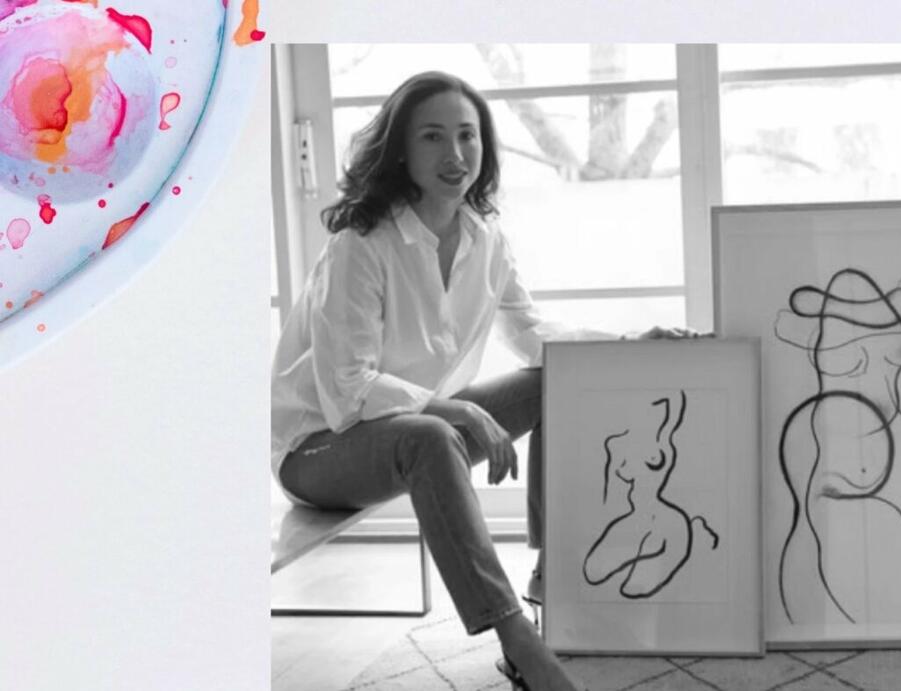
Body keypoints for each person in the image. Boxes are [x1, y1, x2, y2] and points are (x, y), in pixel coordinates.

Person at [271, 71, 696, 691]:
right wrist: (462, 411)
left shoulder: (484, 237)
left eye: (467, 136)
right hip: (317, 452)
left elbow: (532, 333)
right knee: (431, 435)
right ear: (401, 149)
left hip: (418, 432)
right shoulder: (360, 244)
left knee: (552, 380)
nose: (455, 154)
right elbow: (347, 393)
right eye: (433, 137)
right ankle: (516, 639)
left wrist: (629, 344)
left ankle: (552, 584)